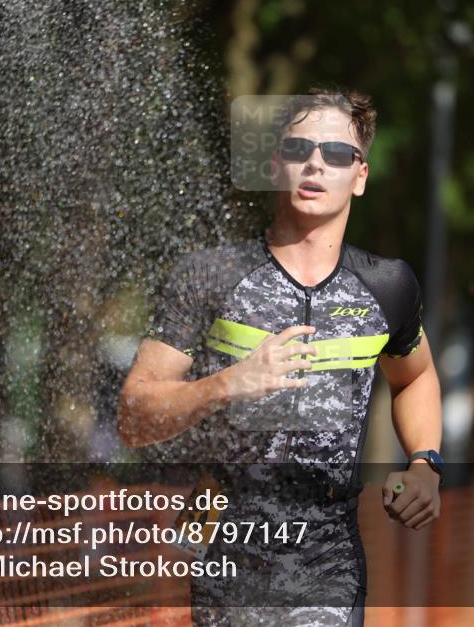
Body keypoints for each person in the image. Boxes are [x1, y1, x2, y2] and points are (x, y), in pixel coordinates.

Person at [118, 86, 444, 626]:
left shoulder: (388, 286)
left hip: (327, 553)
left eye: (336, 153)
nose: (316, 163)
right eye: (298, 149)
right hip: (221, 537)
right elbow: (133, 417)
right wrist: (227, 383)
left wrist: (425, 464)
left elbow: (416, 377)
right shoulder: (209, 276)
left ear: (360, 176)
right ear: (275, 165)